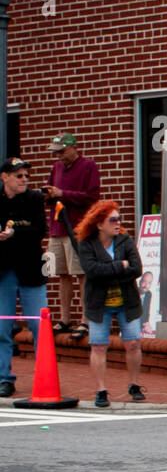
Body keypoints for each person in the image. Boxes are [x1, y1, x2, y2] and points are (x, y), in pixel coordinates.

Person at [75, 200, 145, 407]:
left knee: (133, 343)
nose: (118, 223)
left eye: (119, 218)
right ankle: (101, 390)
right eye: (112, 219)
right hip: (98, 303)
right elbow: (92, 271)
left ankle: (134, 384)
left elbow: (137, 269)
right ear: (99, 224)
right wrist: (119, 266)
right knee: (98, 346)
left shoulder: (125, 241)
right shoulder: (87, 245)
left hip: (127, 301)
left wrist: (110, 269)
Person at [42, 132, 100, 338]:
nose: (58, 156)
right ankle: (65, 319)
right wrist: (49, 194)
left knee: (81, 274)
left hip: (78, 229)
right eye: (56, 152)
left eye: (62, 151)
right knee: (61, 274)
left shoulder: (88, 166)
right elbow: (53, 193)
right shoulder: (56, 168)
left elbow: (93, 197)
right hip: (57, 229)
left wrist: (63, 194)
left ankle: (85, 321)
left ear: (74, 148)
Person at [0, 158, 48, 399]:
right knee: (2, 327)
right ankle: (4, 379)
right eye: (19, 175)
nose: (25, 179)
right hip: (4, 273)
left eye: (26, 175)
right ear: (4, 177)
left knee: (40, 326)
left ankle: (44, 377)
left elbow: (40, 230)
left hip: (31, 271)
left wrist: (14, 232)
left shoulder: (35, 199)